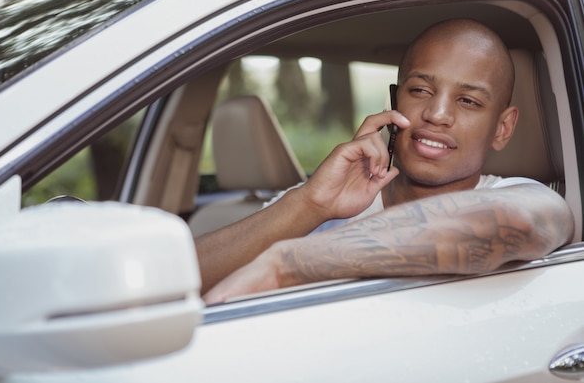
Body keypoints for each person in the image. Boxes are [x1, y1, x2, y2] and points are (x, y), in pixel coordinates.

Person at [197, 18, 575, 304]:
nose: (438, 114)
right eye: (421, 90)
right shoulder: (318, 204)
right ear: (396, 103)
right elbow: (178, 277)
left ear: (502, 128)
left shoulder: (520, 196)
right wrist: (311, 203)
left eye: (469, 101)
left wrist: (287, 263)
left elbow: (517, 221)